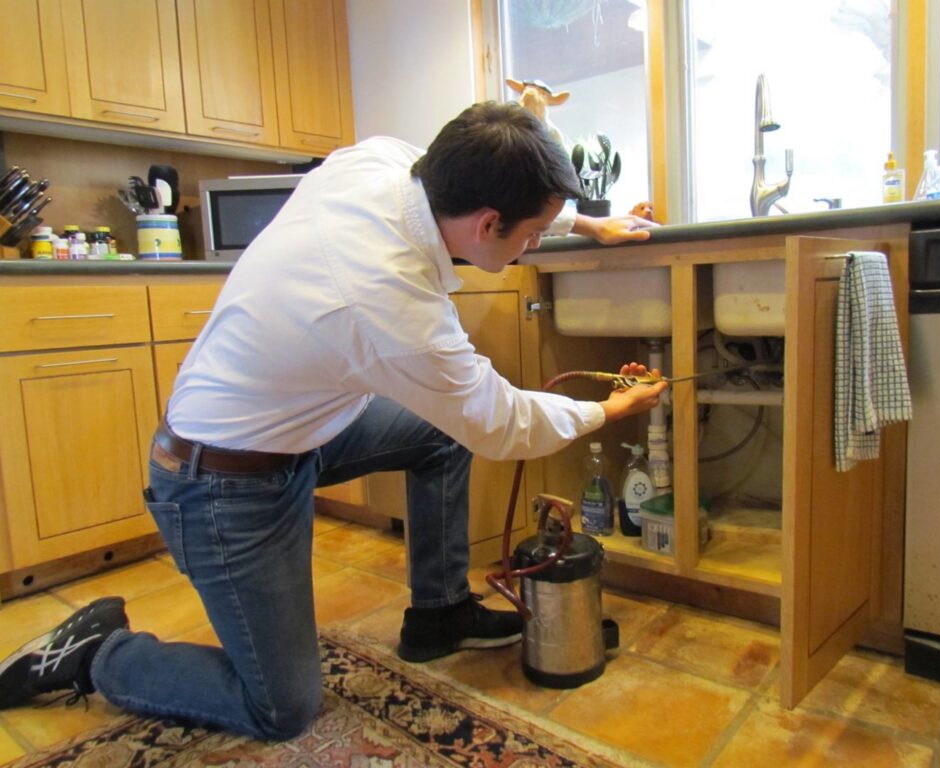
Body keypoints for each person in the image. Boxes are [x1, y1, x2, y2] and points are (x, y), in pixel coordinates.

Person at [0, 101, 664, 739]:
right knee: (280, 708)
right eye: (531, 232)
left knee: (437, 432)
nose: (532, 243)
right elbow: (500, 422)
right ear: (488, 224)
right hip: (220, 482)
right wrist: (608, 409)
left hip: (290, 433)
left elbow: (475, 188)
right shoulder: (391, 296)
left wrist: (586, 223)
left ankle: (438, 614)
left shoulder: (382, 165)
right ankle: (97, 654)